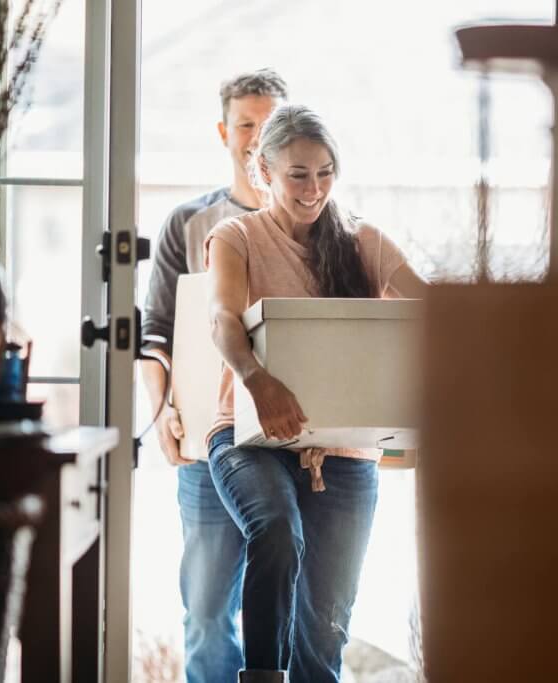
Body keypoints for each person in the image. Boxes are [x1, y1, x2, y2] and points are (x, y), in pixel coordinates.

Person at [204, 104, 428, 683]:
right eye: (298, 174)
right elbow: (222, 319)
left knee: (325, 627)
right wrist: (259, 380)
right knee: (276, 530)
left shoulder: (364, 241)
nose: (314, 187)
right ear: (264, 173)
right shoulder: (237, 236)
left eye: (325, 172)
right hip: (248, 437)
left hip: (347, 453)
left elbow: (432, 312)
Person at [139, 68, 288, 683]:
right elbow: (154, 334)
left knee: (288, 611)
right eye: (245, 124)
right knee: (205, 611)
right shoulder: (187, 223)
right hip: (205, 447)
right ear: (224, 132)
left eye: (268, 123)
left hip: (289, 446)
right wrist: (164, 412)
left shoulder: (312, 223)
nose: (256, 137)